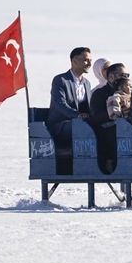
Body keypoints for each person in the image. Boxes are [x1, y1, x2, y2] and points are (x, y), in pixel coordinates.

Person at [46, 47, 93, 175]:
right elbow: (60, 104)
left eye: (90, 60)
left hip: (81, 123)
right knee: (81, 128)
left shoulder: (87, 84)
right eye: (85, 60)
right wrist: (77, 115)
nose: (89, 63)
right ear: (74, 61)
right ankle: (81, 164)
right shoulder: (60, 80)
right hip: (61, 125)